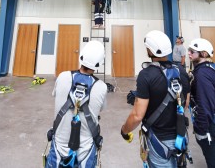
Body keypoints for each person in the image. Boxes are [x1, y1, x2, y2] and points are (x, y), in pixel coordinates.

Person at [121, 30, 190, 168]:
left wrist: (125, 131)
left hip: (159, 141)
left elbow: (137, 115)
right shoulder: (181, 71)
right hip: (181, 137)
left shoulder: (146, 75)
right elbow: (185, 104)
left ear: (150, 51)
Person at [45, 40, 107, 168]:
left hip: (59, 149)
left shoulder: (62, 77)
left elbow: (55, 95)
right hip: (86, 153)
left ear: (82, 56)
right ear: (99, 63)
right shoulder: (102, 87)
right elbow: (101, 108)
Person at [188, 38, 215, 168]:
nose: (189, 53)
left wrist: (201, 130)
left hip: (210, 126)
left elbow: (205, 105)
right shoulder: (210, 68)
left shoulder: (202, 75)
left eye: (192, 51)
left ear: (203, 54)